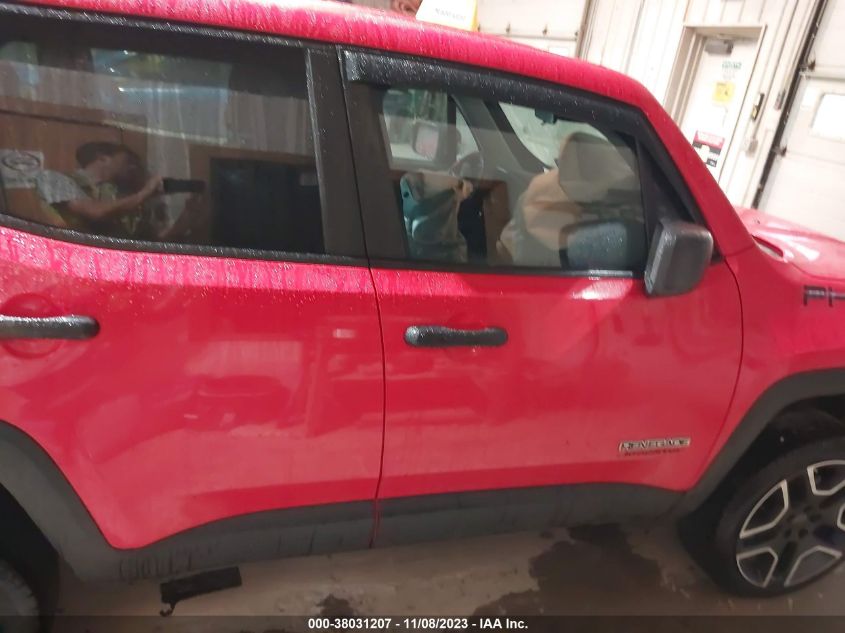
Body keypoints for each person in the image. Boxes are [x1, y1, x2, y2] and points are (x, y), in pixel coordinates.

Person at [35, 141, 162, 234]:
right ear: (103, 159)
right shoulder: (52, 179)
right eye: (128, 161)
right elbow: (94, 211)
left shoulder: (118, 194)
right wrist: (143, 194)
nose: (132, 167)